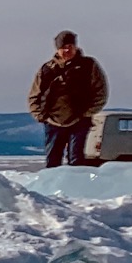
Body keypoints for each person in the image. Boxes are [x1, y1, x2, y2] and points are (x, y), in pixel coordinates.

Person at [28, 31, 108, 168]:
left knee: (76, 161)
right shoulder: (47, 69)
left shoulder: (88, 65)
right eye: (63, 47)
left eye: (70, 46)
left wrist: (87, 113)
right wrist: (40, 115)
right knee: (53, 161)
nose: (67, 50)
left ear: (75, 47)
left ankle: (76, 188)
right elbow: (34, 95)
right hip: (53, 122)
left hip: (79, 120)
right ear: (57, 49)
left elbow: (101, 92)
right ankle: (51, 189)